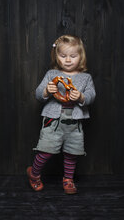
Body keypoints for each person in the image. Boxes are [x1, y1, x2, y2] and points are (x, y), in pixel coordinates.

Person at [27, 35, 96, 194]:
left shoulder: (86, 78)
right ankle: (34, 174)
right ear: (56, 56)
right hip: (53, 120)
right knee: (46, 150)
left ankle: (68, 179)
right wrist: (46, 91)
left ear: (81, 56)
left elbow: (91, 96)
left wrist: (81, 97)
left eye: (73, 56)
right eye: (63, 56)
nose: (68, 60)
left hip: (75, 122)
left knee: (72, 153)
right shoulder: (52, 75)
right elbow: (38, 94)